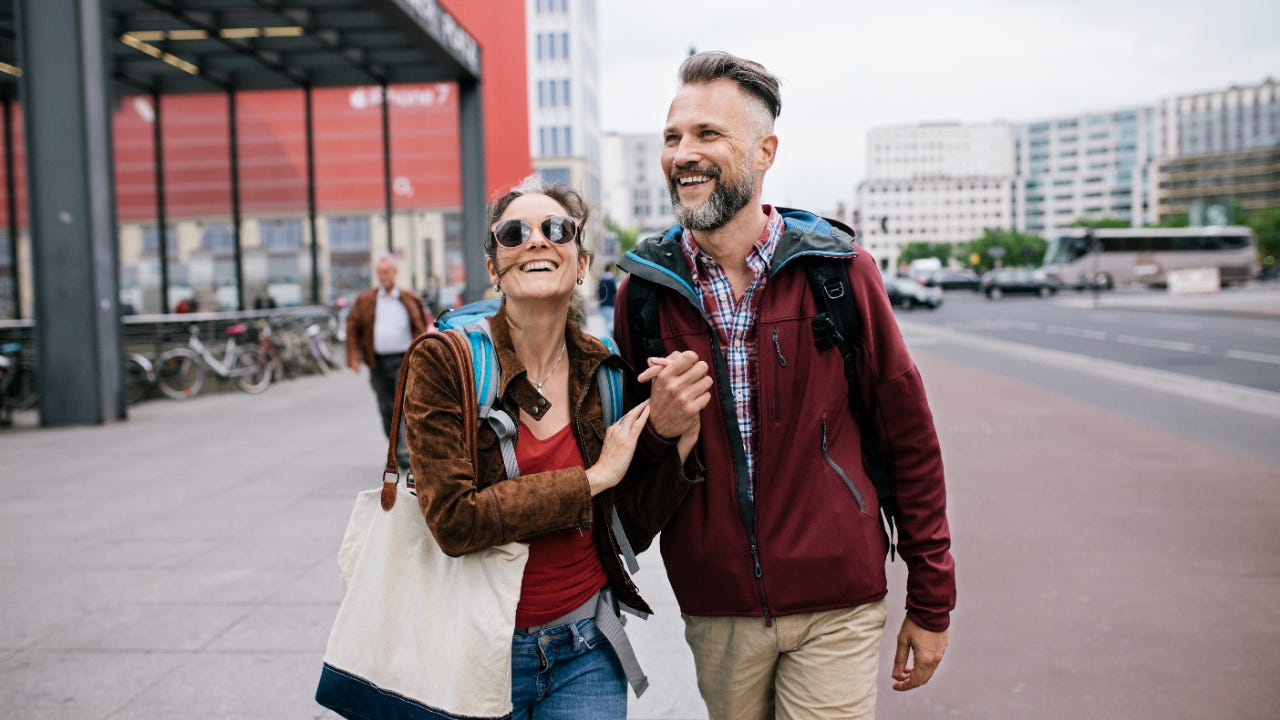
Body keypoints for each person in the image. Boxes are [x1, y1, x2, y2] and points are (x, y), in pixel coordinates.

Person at [614, 51, 956, 719]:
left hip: (840, 598)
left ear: (764, 150)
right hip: (718, 607)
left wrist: (932, 597)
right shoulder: (644, 294)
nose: (685, 152)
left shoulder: (841, 274)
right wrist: (659, 427)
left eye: (708, 134)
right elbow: (622, 471)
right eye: (673, 136)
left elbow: (909, 439)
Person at [402, 176, 710, 719]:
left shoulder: (607, 368)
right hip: (476, 650)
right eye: (514, 232)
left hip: (586, 648)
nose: (537, 240)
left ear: (582, 261)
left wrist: (673, 439)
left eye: (556, 229)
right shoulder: (444, 363)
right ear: (495, 268)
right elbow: (453, 522)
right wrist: (590, 479)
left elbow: (623, 529)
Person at [345, 255, 430, 470]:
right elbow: (353, 326)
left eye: (387, 272)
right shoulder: (366, 299)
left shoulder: (409, 298)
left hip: (404, 359)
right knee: (386, 407)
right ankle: (394, 447)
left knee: (404, 405)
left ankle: (403, 452)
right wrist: (353, 357)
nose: (383, 277)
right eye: (380, 273)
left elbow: (421, 326)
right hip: (378, 362)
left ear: (395, 273)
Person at [596, 262, 618, 337]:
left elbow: (598, 293)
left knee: (605, 324)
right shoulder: (611, 279)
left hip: (602, 305)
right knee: (611, 323)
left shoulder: (601, 280)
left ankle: (606, 339)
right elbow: (615, 293)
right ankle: (611, 339)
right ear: (611, 269)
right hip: (610, 304)